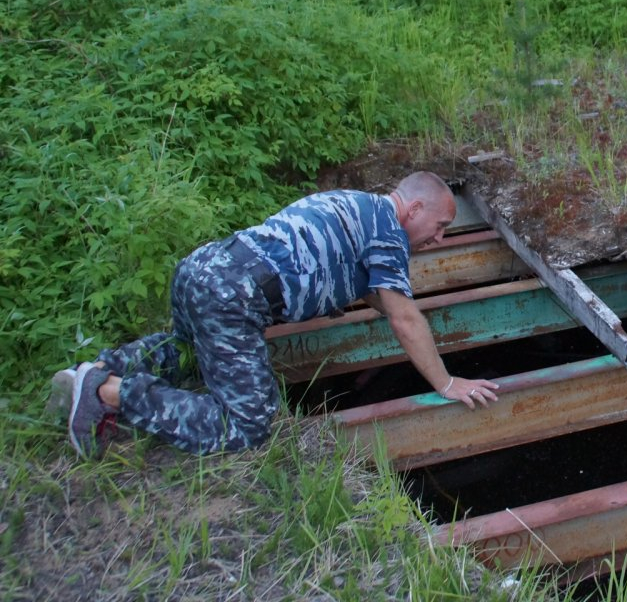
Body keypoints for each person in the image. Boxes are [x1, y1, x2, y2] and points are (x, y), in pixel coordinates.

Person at [59, 171, 500, 458]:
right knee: (246, 424)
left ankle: (94, 371)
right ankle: (110, 393)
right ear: (414, 209)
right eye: (440, 227)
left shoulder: (356, 204)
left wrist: (396, 311)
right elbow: (405, 319)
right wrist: (446, 382)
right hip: (235, 297)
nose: (440, 239)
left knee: (190, 350)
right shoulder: (388, 232)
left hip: (204, 268)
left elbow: (374, 292)